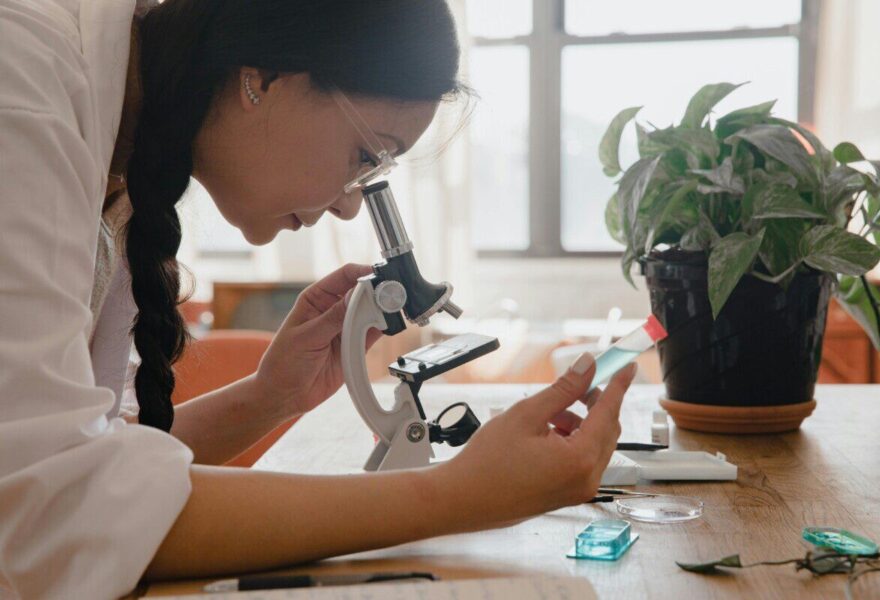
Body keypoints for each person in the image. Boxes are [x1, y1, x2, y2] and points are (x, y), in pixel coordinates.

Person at [0, 0, 636, 597]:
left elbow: (70, 468)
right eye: (365, 155)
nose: (350, 201)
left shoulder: (118, 141)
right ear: (264, 76)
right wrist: (460, 495)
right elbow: (51, 516)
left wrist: (268, 397)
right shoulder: (24, 83)